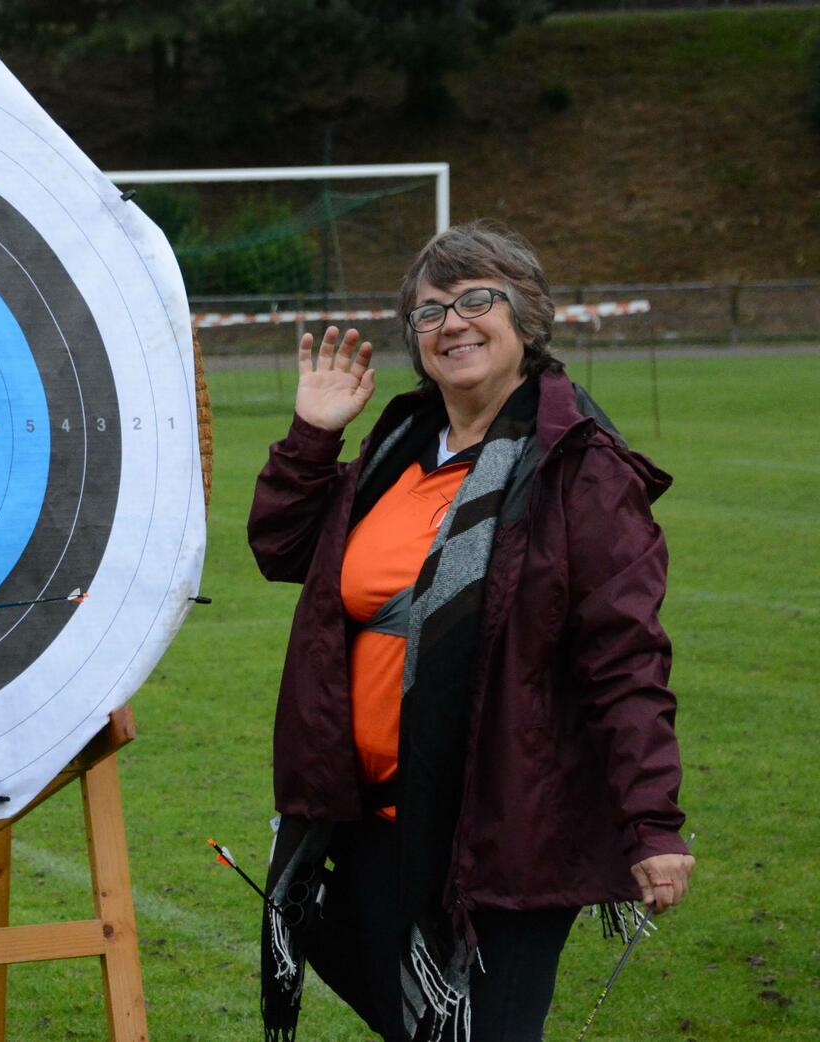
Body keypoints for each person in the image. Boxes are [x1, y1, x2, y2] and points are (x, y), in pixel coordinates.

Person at [247, 222, 695, 1042]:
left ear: (527, 315)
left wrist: (652, 820)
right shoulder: (396, 449)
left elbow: (624, 657)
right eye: (430, 311)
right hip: (374, 828)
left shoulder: (580, 467)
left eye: (476, 300)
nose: (452, 323)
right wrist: (313, 436)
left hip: (502, 834)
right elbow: (282, 549)